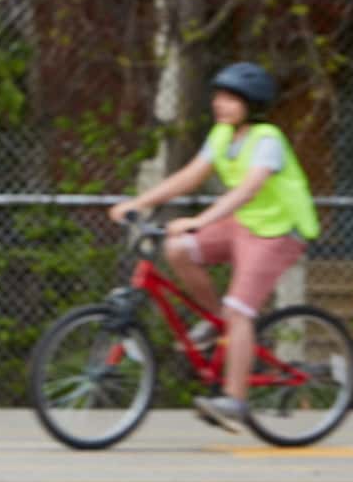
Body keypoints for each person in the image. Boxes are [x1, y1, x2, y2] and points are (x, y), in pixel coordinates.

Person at [109, 62, 319, 432]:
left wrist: (200, 220)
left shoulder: (267, 139)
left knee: (240, 311)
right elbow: (189, 176)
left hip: (279, 232)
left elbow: (248, 189)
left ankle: (235, 400)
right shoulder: (222, 136)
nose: (220, 104)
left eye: (231, 99)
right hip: (245, 225)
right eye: (219, 96)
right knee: (179, 248)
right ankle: (216, 323)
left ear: (251, 105)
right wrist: (139, 203)